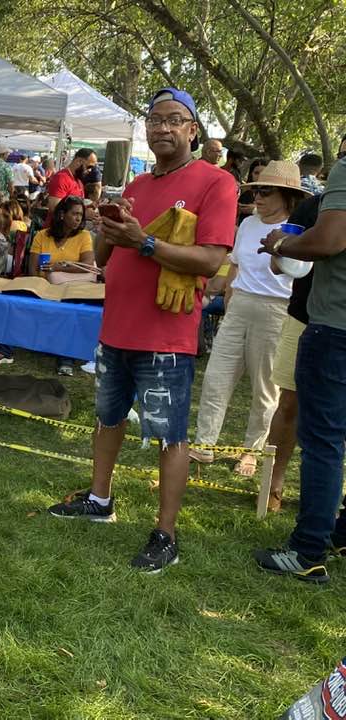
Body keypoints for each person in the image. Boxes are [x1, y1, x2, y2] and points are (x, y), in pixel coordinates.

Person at [47, 87, 237, 574]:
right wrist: (110, 227)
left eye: (174, 120)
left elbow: (213, 258)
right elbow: (109, 259)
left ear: (193, 129)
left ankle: (165, 534)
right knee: (107, 419)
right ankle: (99, 499)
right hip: (117, 327)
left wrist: (146, 241)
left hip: (167, 335)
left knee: (169, 436)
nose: (162, 128)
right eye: (154, 120)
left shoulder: (216, 182)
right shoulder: (134, 185)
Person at [254, 150, 346, 583]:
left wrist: (282, 243)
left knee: (323, 443)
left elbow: (329, 241)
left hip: (335, 326)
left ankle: (308, 549)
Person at [190, 160, 308, 476]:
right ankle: (204, 445)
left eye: (265, 191)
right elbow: (235, 268)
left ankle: (251, 452)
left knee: (264, 388)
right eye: (256, 190)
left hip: (276, 311)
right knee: (216, 378)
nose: (257, 197)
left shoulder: (297, 231)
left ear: (286, 196)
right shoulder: (247, 225)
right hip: (239, 305)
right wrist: (219, 297)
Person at [262, 193, 321, 512]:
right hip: (304, 316)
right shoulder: (313, 206)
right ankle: (273, 484)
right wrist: (281, 249)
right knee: (289, 403)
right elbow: (278, 264)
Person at [26, 196, 95, 375]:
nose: (79, 218)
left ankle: (65, 359)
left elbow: (88, 264)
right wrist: (39, 288)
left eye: (81, 215)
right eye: (75, 214)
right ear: (62, 215)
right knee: (18, 302)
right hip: (43, 286)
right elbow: (32, 268)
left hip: (70, 289)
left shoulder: (84, 236)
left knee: (70, 309)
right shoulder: (42, 235)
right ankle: (3, 351)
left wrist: (59, 266)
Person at [45, 149, 97, 221]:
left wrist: (87, 206)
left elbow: (72, 205)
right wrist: (83, 214)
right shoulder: (61, 178)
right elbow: (55, 209)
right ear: (79, 161)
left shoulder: (78, 180)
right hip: (57, 230)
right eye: (89, 167)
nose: (90, 170)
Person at [237, 158, 267, 223]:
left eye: (263, 173)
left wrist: (255, 210)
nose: (260, 176)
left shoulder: (276, 194)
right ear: (251, 175)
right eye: (256, 173)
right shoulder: (246, 194)